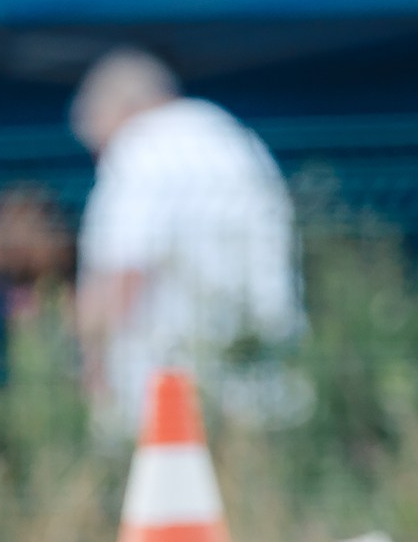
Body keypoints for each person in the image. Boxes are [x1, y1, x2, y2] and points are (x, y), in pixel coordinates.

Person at [71, 48, 300, 431]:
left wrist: (94, 367)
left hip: (165, 383)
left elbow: (122, 272)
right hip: (259, 367)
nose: (101, 160)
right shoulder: (232, 136)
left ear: (122, 112)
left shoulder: (141, 148)